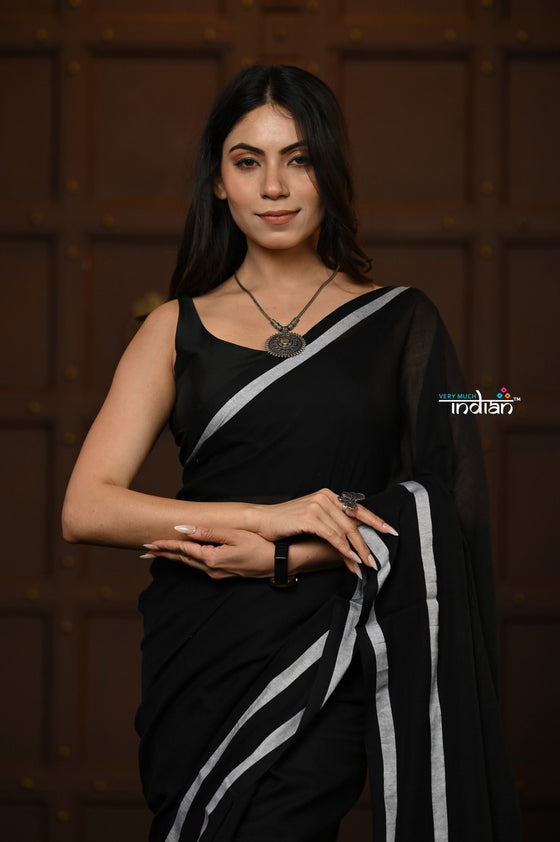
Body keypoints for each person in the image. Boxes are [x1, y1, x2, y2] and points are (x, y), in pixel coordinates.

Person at [62, 65, 520, 842]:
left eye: (298, 159)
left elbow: (454, 478)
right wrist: (262, 519)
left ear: (329, 171)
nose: (273, 186)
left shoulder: (399, 321)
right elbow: (87, 508)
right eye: (248, 162)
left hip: (326, 645)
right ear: (219, 182)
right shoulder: (174, 329)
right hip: (199, 651)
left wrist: (285, 555)